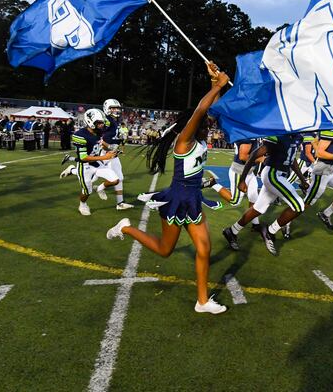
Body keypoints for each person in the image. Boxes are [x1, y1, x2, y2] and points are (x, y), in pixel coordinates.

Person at [106, 62, 229, 314]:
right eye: (205, 122)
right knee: (164, 250)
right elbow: (201, 109)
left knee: (205, 248)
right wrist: (218, 85)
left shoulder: (201, 140)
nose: (210, 124)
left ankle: (202, 301)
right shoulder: (184, 141)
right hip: (177, 199)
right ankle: (126, 228)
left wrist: (214, 83)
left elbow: (208, 109)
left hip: (193, 199)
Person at [222, 134, 308, 255]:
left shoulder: (297, 136)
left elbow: (291, 158)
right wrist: (242, 180)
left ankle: (232, 231)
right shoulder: (279, 134)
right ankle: (270, 231)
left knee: (258, 208)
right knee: (299, 206)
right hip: (273, 174)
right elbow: (253, 155)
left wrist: (302, 179)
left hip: (281, 175)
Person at [72, 109, 120, 216]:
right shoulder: (80, 135)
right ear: (90, 122)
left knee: (115, 180)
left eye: (102, 122)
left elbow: (100, 142)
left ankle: (99, 188)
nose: (102, 125)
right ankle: (82, 204)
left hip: (97, 163)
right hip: (85, 166)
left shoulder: (98, 131)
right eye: (99, 122)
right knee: (87, 191)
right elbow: (83, 157)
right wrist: (105, 157)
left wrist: (110, 148)